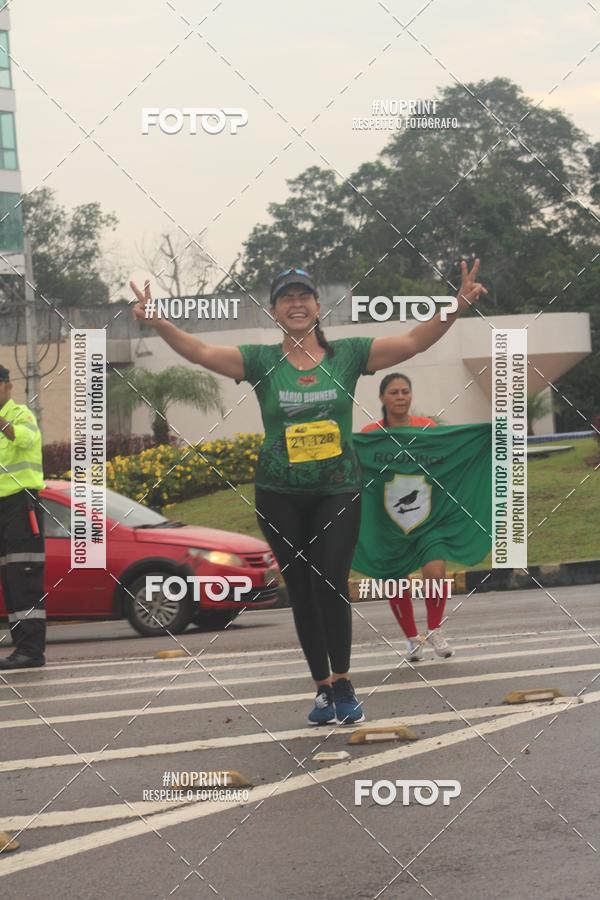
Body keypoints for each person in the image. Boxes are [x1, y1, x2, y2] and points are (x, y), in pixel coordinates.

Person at [131, 261, 486, 723]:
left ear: (318, 307)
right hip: (278, 494)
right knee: (301, 589)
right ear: (274, 311)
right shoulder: (260, 361)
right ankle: (322, 689)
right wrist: (158, 321)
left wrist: (456, 305)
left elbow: (414, 341)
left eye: (304, 297)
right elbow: (199, 351)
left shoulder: (349, 355)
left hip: (337, 489)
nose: (296, 304)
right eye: (286, 298)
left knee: (329, 582)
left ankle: (344, 683)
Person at [362, 373, 454, 661]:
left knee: (435, 571)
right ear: (382, 398)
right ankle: (412, 638)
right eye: (394, 392)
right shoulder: (370, 434)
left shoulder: (427, 428)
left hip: (428, 516)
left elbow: (447, 460)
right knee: (396, 580)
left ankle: (435, 629)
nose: (401, 397)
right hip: (389, 520)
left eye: (405, 391)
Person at [0, 366, 47, 670]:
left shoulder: (21, 415)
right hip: (3, 508)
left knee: (24, 577)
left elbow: (24, 440)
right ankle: (22, 649)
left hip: (22, 505)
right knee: (9, 580)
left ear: (8, 386)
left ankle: (31, 650)